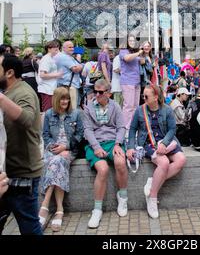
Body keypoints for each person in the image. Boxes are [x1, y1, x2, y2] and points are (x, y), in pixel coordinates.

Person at [127, 84, 186, 219]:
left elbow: (172, 129)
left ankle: (152, 181)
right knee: (164, 163)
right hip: (149, 144)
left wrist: (164, 143)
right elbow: (132, 130)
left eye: (146, 96)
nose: (144, 98)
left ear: (155, 97)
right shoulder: (139, 111)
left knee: (181, 160)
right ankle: (152, 198)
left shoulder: (167, 110)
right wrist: (130, 146)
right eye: (143, 96)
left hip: (167, 142)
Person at [0, 54, 43, 235]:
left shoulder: (23, 92)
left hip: (22, 176)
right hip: (6, 175)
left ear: (9, 73)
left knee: (29, 228)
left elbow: (26, 118)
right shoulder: (8, 92)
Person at [83, 79, 128, 228]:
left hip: (112, 142)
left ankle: (123, 198)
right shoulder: (89, 107)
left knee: (120, 162)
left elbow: (121, 127)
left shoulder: (115, 106)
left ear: (108, 93)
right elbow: (87, 130)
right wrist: (95, 147)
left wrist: (117, 144)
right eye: (94, 91)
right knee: (103, 169)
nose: (96, 94)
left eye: (100, 92)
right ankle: (97, 209)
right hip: (94, 143)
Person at [38, 87, 84, 231]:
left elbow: (80, 135)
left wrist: (66, 147)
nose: (65, 101)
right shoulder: (49, 114)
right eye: (62, 98)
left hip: (69, 150)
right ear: (56, 99)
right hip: (52, 151)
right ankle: (59, 210)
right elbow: (45, 136)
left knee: (57, 161)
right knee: (56, 162)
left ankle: (44, 206)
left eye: (67, 98)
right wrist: (54, 148)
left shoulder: (76, 114)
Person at [119, 35, 142, 132]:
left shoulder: (135, 53)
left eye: (134, 40)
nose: (132, 42)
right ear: (126, 42)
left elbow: (142, 62)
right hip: (128, 81)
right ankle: (126, 128)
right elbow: (127, 58)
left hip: (136, 81)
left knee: (135, 106)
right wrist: (139, 53)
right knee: (128, 106)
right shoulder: (123, 51)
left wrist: (144, 55)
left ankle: (133, 126)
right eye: (130, 40)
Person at [55, 41, 83, 108]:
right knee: (72, 107)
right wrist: (81, 65)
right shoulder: (65, 57)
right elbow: (75, 69)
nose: (72, 49)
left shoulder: (64, 56)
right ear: (63, 48)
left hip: (65, 85)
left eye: (73, 47)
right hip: (69, 86)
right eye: (70, 47)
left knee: (65, 107)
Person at [38, 40, 63, 113]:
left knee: (50, 111)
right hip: (46, 89)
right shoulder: (46, 59)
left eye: (58, 49)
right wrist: (57, 74)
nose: (57, 51)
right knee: (47, 112)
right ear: (49, 49)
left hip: (50, 89)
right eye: (56, 49)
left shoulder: (50, 58)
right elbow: (42, 75)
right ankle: (45, 124)